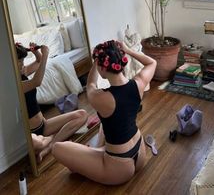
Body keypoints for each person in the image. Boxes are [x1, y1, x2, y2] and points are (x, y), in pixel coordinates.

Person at [52, 39, 156, 185]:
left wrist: (96, 61)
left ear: (102, 67)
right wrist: (128, 50)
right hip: (140, 153)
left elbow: (90, 84)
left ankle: (87, 159)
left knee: (57, 148)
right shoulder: (138, 83)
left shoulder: (101, 98)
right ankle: (93, 154)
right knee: (105, 124)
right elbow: (152, 63)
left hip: (119, 166)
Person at [16, 42, 88, 162]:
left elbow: (38, 62)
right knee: (35, 143)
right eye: (19, 62)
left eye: (23, 61)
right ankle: (51, 138)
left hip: (44, 125)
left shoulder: (22, 72)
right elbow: (36, 82)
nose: (22, 65)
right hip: (31, 133)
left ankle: (49, 145)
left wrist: (36, 52)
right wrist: (45, 56)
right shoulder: (15, 83)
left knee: (82, 115)